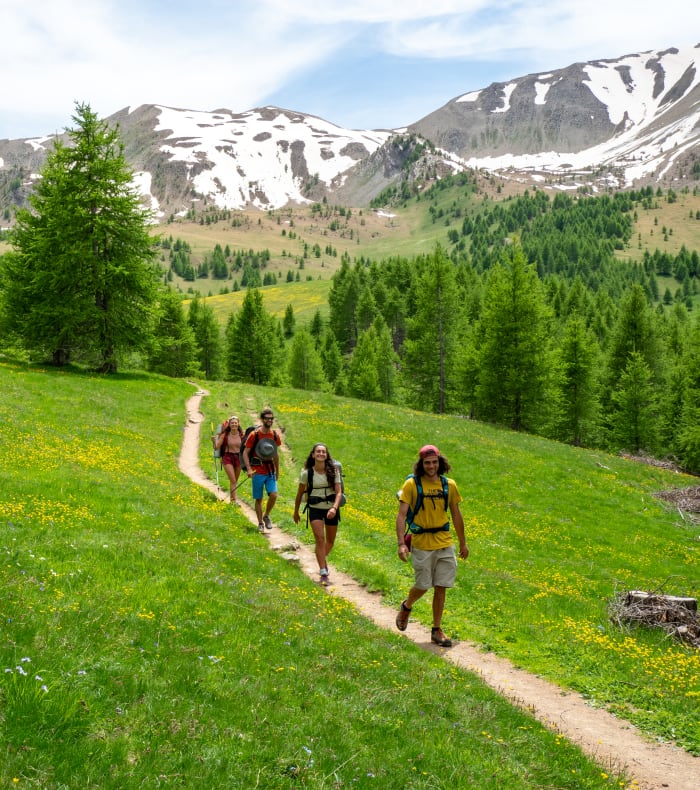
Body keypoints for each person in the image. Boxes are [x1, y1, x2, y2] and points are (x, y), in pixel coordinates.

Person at [395, 444, 469, 647]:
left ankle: (436, 630)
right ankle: (407, 605)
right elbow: (401, 515)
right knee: (423, 584)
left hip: (444, 541)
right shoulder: (412, 485)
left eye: (434, 462)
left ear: (440, 462)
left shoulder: (449, 485)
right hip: (421, 542)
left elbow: (456, 514)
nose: (431, 466)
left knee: (441, 585)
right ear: (421, 464)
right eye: (427, 463)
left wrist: (463, 542)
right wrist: (402, 544)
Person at [293, 443, 343, 586]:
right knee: (320, 539)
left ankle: (321, 558)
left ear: (326, 455)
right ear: (313, 455)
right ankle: (323, 571)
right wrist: (296, 511)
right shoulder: (306, 474)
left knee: (330, 541)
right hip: (315, 508)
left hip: (331, 509)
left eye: (323, 452)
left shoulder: (333, 471)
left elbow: (339, 492)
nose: (321, 454)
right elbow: (299, 494)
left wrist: (334, 508)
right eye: (318, 452)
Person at [242, 407, 282, 532]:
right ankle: (260, 523)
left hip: (270, 470)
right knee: (258, 499)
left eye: (271, 419)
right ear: (262, 419)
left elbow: (275, 454)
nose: (270, 421)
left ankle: (266, 515)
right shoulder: (255, 435)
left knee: (274, 495)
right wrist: (248, 469)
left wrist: (277, 471)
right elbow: (245, 452)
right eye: (267, 418)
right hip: (257, 471)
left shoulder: (274, 435)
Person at [215, 415, 244, 504]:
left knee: (234, 481)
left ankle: (233, 500)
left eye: (235, 423)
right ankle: (233, 501)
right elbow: (216, 447)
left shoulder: (242, 435)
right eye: (232, 423)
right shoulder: (225, 435)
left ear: (238, 424)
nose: (234, 424)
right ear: (229, 424)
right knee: (233, 480)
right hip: (227, 457)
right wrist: (213, 441)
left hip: (238, 458)